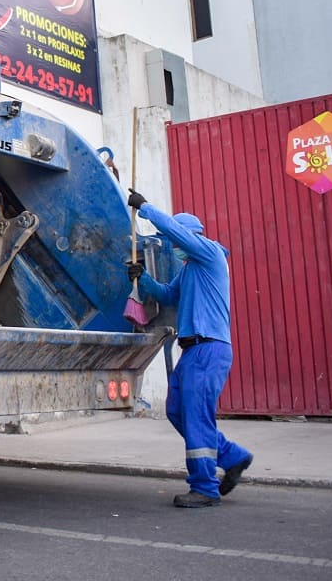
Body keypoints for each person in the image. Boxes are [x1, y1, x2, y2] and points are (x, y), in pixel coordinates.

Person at [126, 189, 254, 508]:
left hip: (208, 348)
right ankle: (232, 456)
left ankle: (204, 487)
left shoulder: (209, 253)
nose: (174, 248)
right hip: (194, 351)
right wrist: (143, 280)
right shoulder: (190, 271)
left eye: (176, 242)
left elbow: (172, 229)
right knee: (176, 411)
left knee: (196, 415)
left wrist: (145, 208)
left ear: (189, 237)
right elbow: (169, 295)